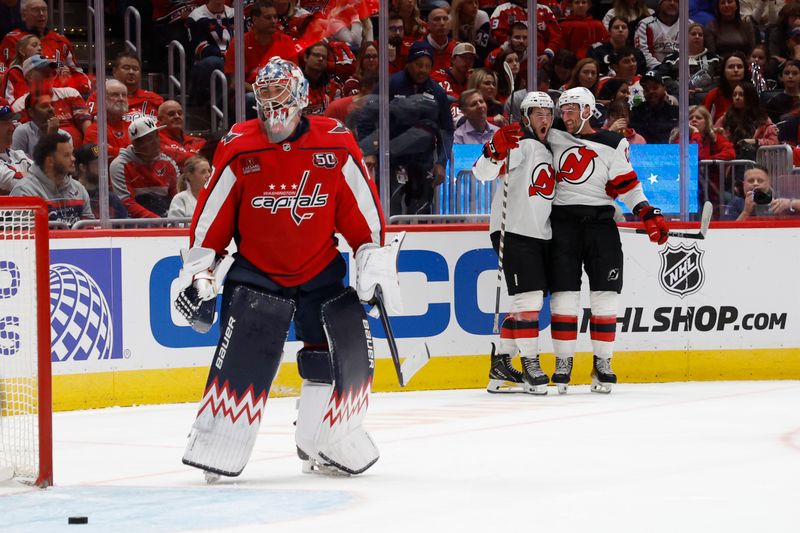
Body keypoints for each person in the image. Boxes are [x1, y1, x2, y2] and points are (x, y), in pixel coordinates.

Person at [175, 56, 399, 479]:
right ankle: (219, 445)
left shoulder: (334, 141)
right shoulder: (240, 144)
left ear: (299, 98)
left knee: (330, 358)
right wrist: (200, 273)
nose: (272, 107)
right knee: (243, 356)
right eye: (265, 96)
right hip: (257, 271)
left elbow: (362, 213)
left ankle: (320, 443)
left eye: (280, 95)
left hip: (320, 270)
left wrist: (372, 258)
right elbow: (212, 218)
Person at [547, 87, 668, 394]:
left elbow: (627, 186)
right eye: (563, 109)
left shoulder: (613, 144)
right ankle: (563, 362)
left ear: (588, 109)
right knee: (564, 296)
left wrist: (646, 211)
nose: (566, 114)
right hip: (563, 226)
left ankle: (603, 362)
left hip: (601, 227)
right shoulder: (552, 138)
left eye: (572, 108)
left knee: (605, 296)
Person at [472, 91, 556, 394]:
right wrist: (494, 150)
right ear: (525, 117)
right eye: (537, 114)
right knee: (529, 300)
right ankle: (531, 362)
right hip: (514, 229)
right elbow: (482, 172)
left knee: (528, 302)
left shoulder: (553, 147)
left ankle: (502, 364)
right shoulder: (520, 144)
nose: (544, 119)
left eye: (548, 114)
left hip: (540, 232)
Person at [359, 40, 454, 216]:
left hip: (423, 160)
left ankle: (424, 244)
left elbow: (446, 130)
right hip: (391, 159)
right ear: (409, 63)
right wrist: (368, 151)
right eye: (419, 65)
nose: (423, 70)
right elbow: (366, 118)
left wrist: (441, 162)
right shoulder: (389, 85)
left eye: (428, 66)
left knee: (422, 210)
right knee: (390, 209)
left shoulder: (437, 92)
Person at [10, 131, 92, 225]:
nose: (73, 159)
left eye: (72, 154)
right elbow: (24, 235)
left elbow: (89, 227)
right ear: (50, 161)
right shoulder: (24, 191)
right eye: (66, 155)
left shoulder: (79, 188)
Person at [110, 115, 180, 218]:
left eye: (157, 136)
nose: (156, 142)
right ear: (136, 143)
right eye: (150, 139)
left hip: (165, 218)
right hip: (134, 223)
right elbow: (127, 203)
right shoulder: (120, 165)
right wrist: (158, 221)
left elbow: (178, 197)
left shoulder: (168, 163)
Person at [715, 81, 778, 160]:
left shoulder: (763, 120)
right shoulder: (724, 119)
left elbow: (774, 142)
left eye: (741, 95)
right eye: (734, 95)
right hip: (730, 161)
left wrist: (755, 142)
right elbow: (715, 140)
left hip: (758, 161)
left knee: (747, 149)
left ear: (750, 97)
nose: (737, 98)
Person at [87, 52, 164, 118]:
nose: (131, 72)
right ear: (115, 71)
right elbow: (91, 125)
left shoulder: (155, 99)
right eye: (126, 68)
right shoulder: (100, 97)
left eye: (135, 69)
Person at [188, 0, 234, 106]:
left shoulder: (235, 14)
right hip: (208, 60)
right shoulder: (196, 16)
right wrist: (222, 54)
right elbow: (199, 47)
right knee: (217, 64)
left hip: (233, 58)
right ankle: (216, 109)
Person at [72, 143, 128, 219]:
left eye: (104, 162)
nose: (103, 168)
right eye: (97, 163)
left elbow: (125, 226)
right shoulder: (72, 198)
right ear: (83, 167)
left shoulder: (111, 198)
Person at [10, 91, 71, 157]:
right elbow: (17, 163)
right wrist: (51, 137)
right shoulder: (22, 132)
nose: (51, 109)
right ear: (31, 112)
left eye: (52, 105)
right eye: (44, 106)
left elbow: (63, 164)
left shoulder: (65, 135)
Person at [722, 164, 793, 219]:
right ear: (744, 185)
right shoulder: (736, 203)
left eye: (760, 181)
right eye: (750, 181)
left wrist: (791, 203)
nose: (755, 183)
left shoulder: (780, 199)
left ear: (769, 183)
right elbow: (728, 232)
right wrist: (746, 212)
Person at [83, 79, 131, 161]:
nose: (121, 98)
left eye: (124, 95)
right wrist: (129, 152)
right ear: (102, 99)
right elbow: (95, 152)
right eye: (115, 95)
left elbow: (142, 151)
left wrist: (111, 150)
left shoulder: (132, 126)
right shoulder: (93, 130)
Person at [629, 71, 679, 143]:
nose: (651, 92)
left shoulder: (676, 112)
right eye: (646, 89)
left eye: (655, 87)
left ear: (664, 89)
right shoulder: (636, 113)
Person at [157, 99, 206, 167]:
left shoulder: (198, 141)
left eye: (180, 113)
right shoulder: (155, 140)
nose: (177, 116)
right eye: (171, 114)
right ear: (160, 119)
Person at [634, 0, 680, 70]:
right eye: (668, 0)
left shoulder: (688, 25)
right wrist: (660, 67)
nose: (672, 3)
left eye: (676, 1)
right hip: (654, 71)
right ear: (660, 3)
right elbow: (642, 52)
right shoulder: (645, 24)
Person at [703, 52, 748, 122]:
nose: (736, 70)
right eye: (731, 67)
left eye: (739, 67)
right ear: (723, 71)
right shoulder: (713, 96)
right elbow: (704, 123)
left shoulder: (752, 94)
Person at [302, 42, 343, 116]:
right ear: (306, 57)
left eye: (324, 57)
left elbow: (338, 118)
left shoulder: (334, 87)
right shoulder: (294, 86)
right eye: (316, 55)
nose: (320, 59)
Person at [0, 98, 30, 194]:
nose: (12, 128)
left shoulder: (19, 155)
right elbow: (24, 184)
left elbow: (47, 175)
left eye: (11, 122)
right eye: (5, 123)